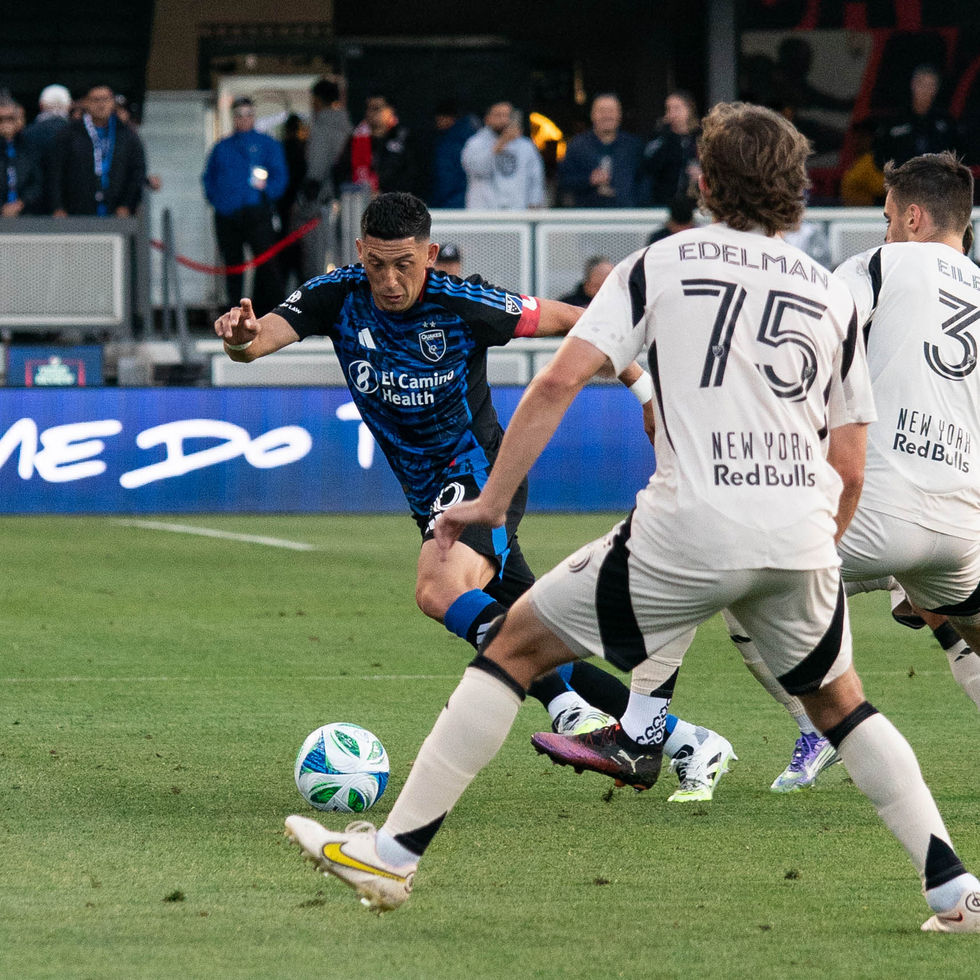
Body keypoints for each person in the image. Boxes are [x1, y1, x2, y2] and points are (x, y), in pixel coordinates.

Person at [282, 104, 980, 933]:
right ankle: (955, 892)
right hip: (801, 531)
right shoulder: (830, 292)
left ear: (706, 182)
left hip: (690, 526)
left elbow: (555, 384)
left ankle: (391, 857)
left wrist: (494, 500)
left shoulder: (661, 262)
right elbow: (851, 464)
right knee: (845, 707)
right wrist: (816, 552)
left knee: (514, 646)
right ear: (796, 192)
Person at [215, 190, 731, 788]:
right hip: (428, 497)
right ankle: (690, 742)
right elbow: (255, 343)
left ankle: (568, 710)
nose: (388, 280)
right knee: (531, 629)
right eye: (377, 263)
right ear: (359, 252)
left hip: (483, 478)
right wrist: (237, 336)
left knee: (437, 587)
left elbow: (579, 322)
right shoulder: (337, 295)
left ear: (429, 255)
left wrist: (644, 390)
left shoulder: (463, 301)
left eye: (404, 264)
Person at [201, 96, 288, 316]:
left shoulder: (267, 144)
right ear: (233, 118)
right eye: (239, 115)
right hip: (228, 214)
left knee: (267, 263)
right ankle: (235, 313)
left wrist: (267, 194)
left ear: (254, 116)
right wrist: (218, 202)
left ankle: (276, 314)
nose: (243, 119)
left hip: (256, 211)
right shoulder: (222, 147)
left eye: (248, 114)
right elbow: (208, 178)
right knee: (232, 266)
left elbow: (280, 176)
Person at [50, 83, 146, 218]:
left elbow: (137, 172)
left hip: (117, 212)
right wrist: (58, 206)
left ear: (113, 102)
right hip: (77, 212)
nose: (101, 105)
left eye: (106, 99)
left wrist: (126, 204)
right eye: (96, 100)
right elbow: (56, 172)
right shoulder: (69, 134)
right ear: (85, 103)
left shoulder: (127, 135)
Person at [298, 79, 351, 280]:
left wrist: (305, 199)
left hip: (323, 201)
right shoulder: (348, 125)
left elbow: (316, 170)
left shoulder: (321, 127)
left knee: (319, 259)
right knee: (345, 254)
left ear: (317, 100)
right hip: (347, 199)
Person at [557, 93, 645, 208]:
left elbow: (644, 182)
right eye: (602, 111)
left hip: (627, 216)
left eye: (611, 111)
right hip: (588, 218)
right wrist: (588, 180)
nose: (607, 116)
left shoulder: (634, 146)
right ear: (592, 115)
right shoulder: (577, 145)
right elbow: (564, 181)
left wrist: (639, 206)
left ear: (619, 115)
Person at [874, 65, 962, 169]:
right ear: (913, 85)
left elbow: (957, 156)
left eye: (931, 86)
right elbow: (880, 158)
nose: (925, 91)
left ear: (936, 89)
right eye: (921, 84)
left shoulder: (946, 123)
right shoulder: (894, 122)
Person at [461, 102, 545, 210]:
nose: (504, 120)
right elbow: (477, 169)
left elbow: (535, 177)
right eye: (498, 115)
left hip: (517, 212)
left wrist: (534, 202)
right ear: (487, 118)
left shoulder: (526, 146)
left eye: (507, 116)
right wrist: (500, 144)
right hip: (484, 212)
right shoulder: (475, 143)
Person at [336, 93, 416, 196]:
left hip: (395, 202)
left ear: (390, 110)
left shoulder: (403, 138)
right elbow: (342, 171)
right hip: (359, 201)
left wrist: (385, 193)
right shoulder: (356, 138)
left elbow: (410, 175)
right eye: (368, 108)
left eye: (376, 108)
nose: (370, 113)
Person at [643, 90, 701, 206]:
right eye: (669, 109)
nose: (672, 114)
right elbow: (647, 165)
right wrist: (667, 135)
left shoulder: (701, 136)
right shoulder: (660, 137)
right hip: (664, 204)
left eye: (677, 108)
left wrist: (702, 173)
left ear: (689, 109)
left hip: (696, 204)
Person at [22, 83, 71, 213]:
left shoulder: (27, 133)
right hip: (68, 205)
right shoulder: (77, 134)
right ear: (69, 106)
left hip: (31, 204)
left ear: (41, 105)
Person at [427, 99, 478, 209]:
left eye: (439, 119)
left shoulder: (451, 142)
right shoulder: (472, 135)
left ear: (449, 118)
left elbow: (447, 177)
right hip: (468, 201)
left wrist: (437, 202)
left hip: (453, 201)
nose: (437, 123)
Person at [0, 96, 43, 217]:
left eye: (10, 119)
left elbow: (37, 182)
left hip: (27, 215)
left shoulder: (30, 146)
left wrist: (20, 203)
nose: (6, 124)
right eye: (1, 120)